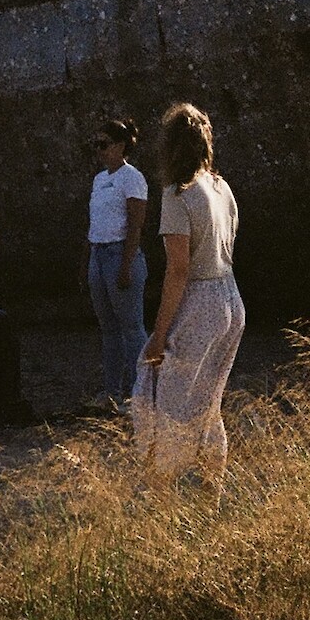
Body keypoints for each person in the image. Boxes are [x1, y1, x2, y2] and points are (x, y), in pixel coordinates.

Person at [132, 101, 245, 486]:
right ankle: (212, 490)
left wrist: (159, 335)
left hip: (200, 299)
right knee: (209, 403)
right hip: (231, 297)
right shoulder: (221, 186)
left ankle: (161, 492)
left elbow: (178, 270)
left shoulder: (177, 194)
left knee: (168, 401)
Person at [84, 118, 149, 405]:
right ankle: (111, 391)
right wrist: (87, 259)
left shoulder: (131, 177)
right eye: (95, 145)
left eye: (104, 144)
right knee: (108, 328)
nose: (99, 150)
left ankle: (140, 392)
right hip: (99, 253)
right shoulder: (99, 180)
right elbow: (95, 222)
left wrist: (126, 263)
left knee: (131, 326)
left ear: (121, 146)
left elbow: (136, 224)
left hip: (120, 252)